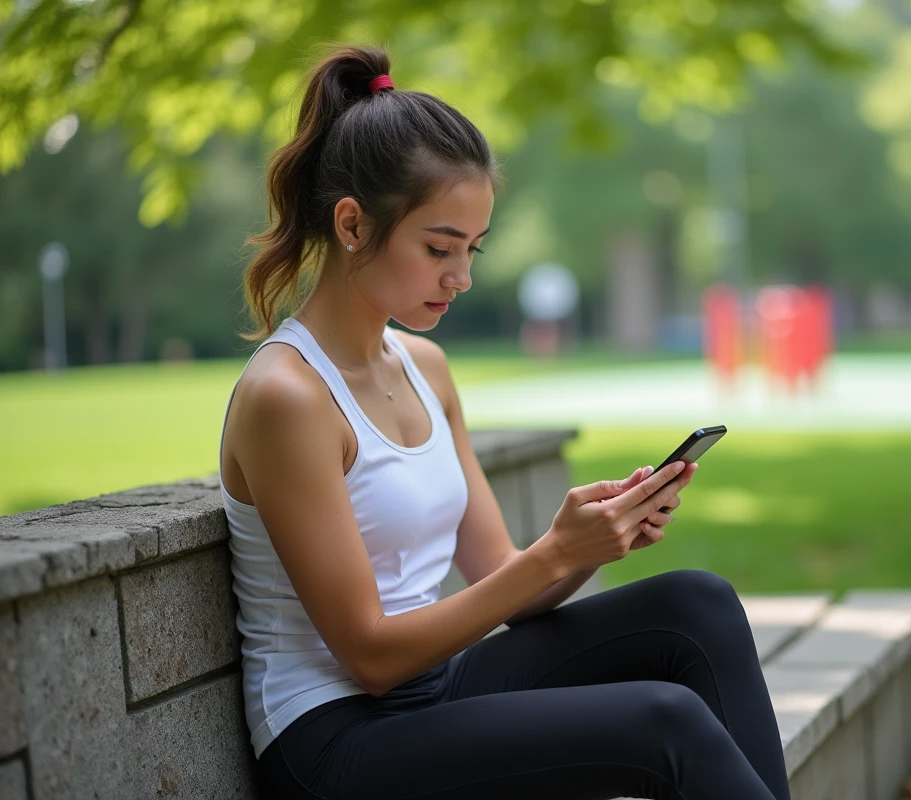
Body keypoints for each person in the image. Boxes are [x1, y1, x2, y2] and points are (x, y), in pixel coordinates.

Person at [217, 43, 790, 800]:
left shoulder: (425, 368)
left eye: (473, 249)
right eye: (439, 248)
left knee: (697, 607)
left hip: (429, 691)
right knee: (665, 723)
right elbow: (371, 657)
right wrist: (554, 554)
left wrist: (593, 542)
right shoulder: (287, 397)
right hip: (336, 743)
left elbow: (502, 577)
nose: (461, 276)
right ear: (352, 224)